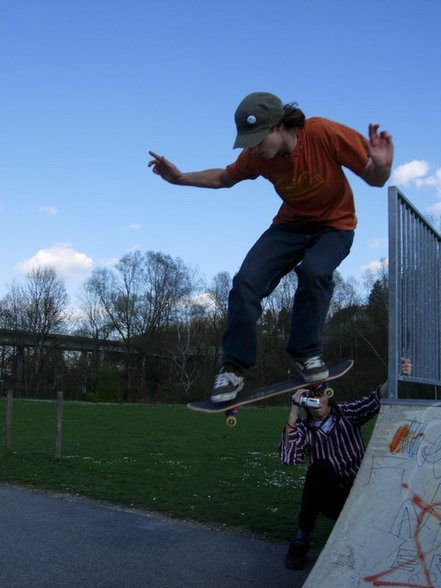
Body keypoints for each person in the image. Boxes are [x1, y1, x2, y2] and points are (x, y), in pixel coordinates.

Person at [148, 92, 394, 402]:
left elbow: (374, 179)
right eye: (248, 142)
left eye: (258, 139)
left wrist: (383, 167)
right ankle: (234, 368)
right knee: (245, 282)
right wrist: (180, 178)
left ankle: (306, 354)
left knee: (315, 271)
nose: (253, 148)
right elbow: (225, 177)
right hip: (290, 227)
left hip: (335, 227)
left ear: (279, 126)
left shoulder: (322, 133)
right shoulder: (256, 158)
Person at [280, 357, 412, 571]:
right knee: (319, 467)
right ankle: (301, 539)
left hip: (359, 493)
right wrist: (294, 411)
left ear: (328, 396)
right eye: (311, 398)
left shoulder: (346, 413)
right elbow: (288, 458)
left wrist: (397, 374)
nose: (318, 401)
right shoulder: (304, 428)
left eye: (321, 395)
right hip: (331, 498)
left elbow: (376, 397)